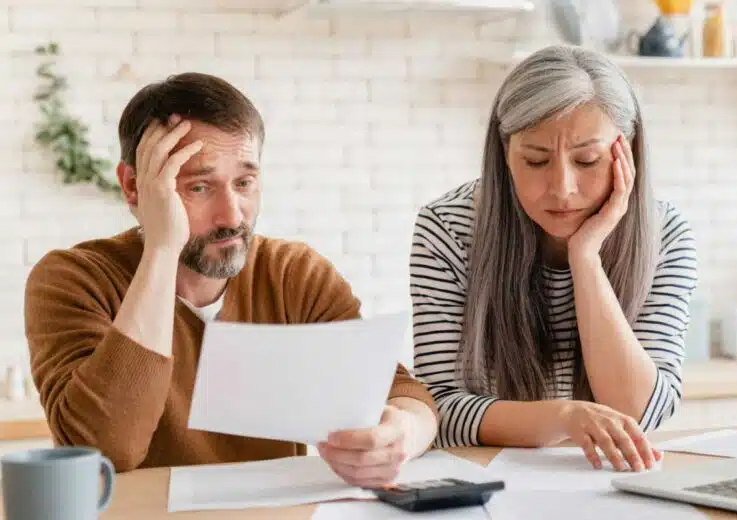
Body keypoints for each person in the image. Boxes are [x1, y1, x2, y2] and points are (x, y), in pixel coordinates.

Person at [24, 72, 438, 487]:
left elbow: (401, 392)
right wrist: (162, 252)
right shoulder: (73, 279)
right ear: (134, 187)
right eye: (200, 187)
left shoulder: (293, 275)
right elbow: (106, 451)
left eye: (244, 183)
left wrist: (401, 434)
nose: (233, 216)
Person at [409, 45, 698, 473]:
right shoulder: (448, 229)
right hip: (483, 480)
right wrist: (564, 416)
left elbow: (641, 410)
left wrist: (586, 257)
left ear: (628, 151)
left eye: (587, 160)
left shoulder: (666, 234)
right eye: (536, 160)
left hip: (609, 482)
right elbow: (441, 412)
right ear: (504, 153)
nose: (562, 188)